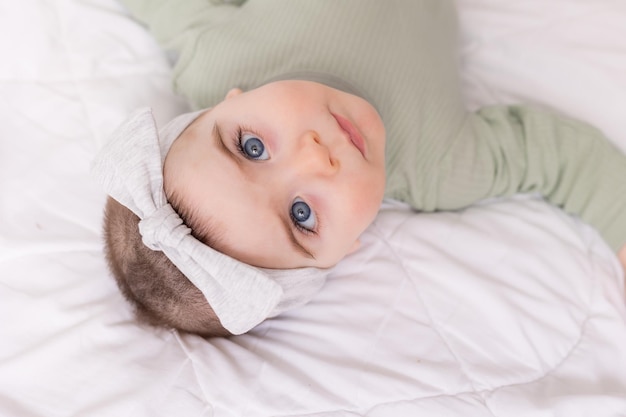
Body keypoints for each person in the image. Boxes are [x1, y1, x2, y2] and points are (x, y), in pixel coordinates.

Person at [93, 0, 626, 337]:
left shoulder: (218, 54)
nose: (315, 156)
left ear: (225, 101)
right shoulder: (438, 165)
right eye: (302, 215)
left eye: (251, 146)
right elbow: (561, 158)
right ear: (346, 249)